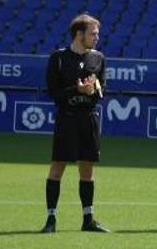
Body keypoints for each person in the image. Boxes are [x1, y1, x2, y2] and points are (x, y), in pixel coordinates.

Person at [41, 14, 109, 233]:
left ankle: (88, 219)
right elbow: (53, 92)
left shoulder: (98, 58)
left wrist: (93, 90)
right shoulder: (59, 58)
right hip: (67, 118)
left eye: (97, 33)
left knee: (87, 168)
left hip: (88, 119)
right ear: (79, 34)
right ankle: (51, 220)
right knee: (58, 166)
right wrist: (76, 90)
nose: (96, 37)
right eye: (93, 33)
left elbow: (102, 90)